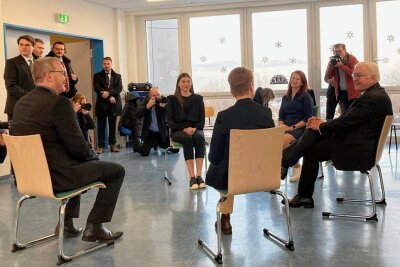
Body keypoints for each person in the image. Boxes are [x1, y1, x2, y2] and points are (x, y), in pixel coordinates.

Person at [12, 57, 124, 242]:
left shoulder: (21, 104)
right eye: (62, 73)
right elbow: (78, 146)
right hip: (58, 178)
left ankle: (66, 224)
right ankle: (95, 227)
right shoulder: (60, 103)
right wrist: (94, 159)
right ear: (49, 76)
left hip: (30, 178)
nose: (67, 77)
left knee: (79, 163)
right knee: (115, 171)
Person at [281, 62, 393, 208]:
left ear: (373, 78)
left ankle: (285, 164)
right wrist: (321, 122)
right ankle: (300, 189)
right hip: (360, 143)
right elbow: (347, 120)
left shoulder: (371, 99)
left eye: (359, 75)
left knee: (311, 139)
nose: (354, 78)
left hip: (357, 150)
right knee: (312, 138)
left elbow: (344, 123)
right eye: (354, 75)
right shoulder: (374, 94)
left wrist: (320, 125)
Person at [206, 67, 275, 235]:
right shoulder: (265, 113)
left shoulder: (224, 117)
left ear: (231, 90)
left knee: (223, 165)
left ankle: (225, 217)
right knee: (231, 165)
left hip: (233, 178)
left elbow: (213, 157)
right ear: (251, 86)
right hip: (263, 176)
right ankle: (225, 217)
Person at [167, 73, 206, 190]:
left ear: (191, 83)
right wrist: (184, 129)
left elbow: (201, 121)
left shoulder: (198, 99)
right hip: (178, 130)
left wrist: (194, 128)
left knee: (199, 137)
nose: (186, 84)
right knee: (187, 139)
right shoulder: (172, 99)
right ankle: (192, 177)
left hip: (195, 129)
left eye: (188, 81)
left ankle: (199, 176)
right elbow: (170, 123)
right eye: (183, 81)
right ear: (178, 84)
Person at [279, 70, 313, 182]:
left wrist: (292, 127)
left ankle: (281, 171)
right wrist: (282, 125)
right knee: (272, 141)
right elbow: (281, 115)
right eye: (293, 78)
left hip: (300, 129)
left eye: (297, 79)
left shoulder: (306, 97)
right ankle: (296, 165)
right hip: (285, 128)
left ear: (302, 82)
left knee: (281, 142)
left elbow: (308, 117)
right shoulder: (285, 97)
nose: (294, 80)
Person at [136, 87, 179, 156]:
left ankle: (157, 144)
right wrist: (147, 106)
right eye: (154, 95)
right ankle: (137, 144)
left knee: (176, 149)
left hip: (161, 131)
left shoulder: (163, 101)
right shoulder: (145, 102)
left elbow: (173, 114)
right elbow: (138, 115)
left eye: (158, 95)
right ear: (149, 96)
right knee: (144, 153)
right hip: (150, 133)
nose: (157, 97)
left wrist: (164, 108)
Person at [93, 57, 123, 154]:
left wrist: (109, 94)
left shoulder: (117, 76)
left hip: (114, 104)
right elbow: (97, 88)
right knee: (101, 126)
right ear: (102, 65)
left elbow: (119, 88)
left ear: (111, 64)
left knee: (112, 125)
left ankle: (113, 145)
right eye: (104, 64)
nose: (106, 65)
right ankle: (100, 146)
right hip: (102, 103)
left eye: (108, 64)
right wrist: (109, 97)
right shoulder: (97, 75)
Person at [3, 35, 36, 120]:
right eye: (21, 45)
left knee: (35, 133)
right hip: (18, 106)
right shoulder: (12, 63)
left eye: (27, 45)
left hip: (36, 107)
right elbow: (11, 86)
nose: (23, 47)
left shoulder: (39, 62)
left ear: (33, 46)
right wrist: (32, 96)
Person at [324, 43, 360, 117]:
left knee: (353, 115)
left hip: (352, 92)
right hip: (341, 92)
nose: (337, 53)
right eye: (335, 51)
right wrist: (331, 64)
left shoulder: (352, 58)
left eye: (339, 51)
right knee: (345, 115)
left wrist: (341, 66)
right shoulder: (333, 60)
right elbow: (328, 76)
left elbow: (355, 74)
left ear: (344, 51)